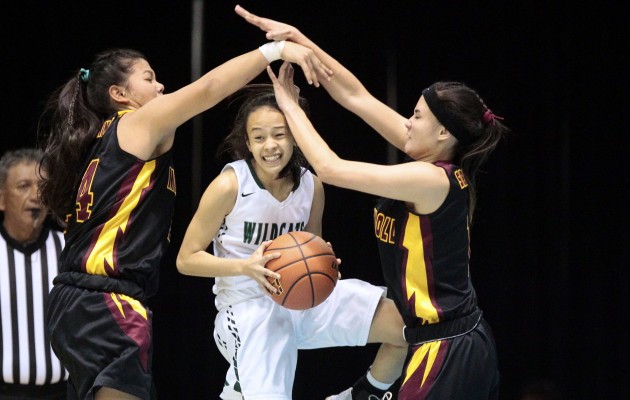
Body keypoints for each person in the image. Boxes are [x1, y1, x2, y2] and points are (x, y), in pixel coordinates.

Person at [237, 5, 510, 399]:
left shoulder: (430, 178)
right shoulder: (429, 157)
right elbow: (354, 95)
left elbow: (330, 168)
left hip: (448, 347)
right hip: (438, 340)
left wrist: (290, 107)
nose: (407, 123)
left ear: (443, 133)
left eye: (416, 116)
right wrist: (299, 40)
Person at [37, 39, 333, 400]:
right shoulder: (136, 124)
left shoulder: (101, 142)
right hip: (106, 299)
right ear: (119, 94)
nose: (161, 86)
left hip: (76, 301)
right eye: (149, 78)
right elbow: (208, 88)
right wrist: (275, 51)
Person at [176, 85, 408, 400]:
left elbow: (312, 247)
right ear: (248, 143)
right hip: (247, 310)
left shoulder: (312, 186)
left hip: (302, 300)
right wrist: (246, 267)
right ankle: (240, 387)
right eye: (258, 137)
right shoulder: (230, 185)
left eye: (279, 134)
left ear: (295, 136)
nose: (269, 145)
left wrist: (325, 264)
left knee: (406, 326)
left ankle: (360, 395)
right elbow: (186, 260)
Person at [0, 148, 68, 400]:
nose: (35, 196)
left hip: (62, 393)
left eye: (42, 186)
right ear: (2, 199)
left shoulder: (69, 248)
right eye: (23, 186)